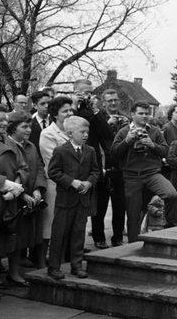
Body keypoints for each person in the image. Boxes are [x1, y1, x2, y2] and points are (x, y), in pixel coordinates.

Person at [111, 101, 177, 242]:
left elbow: (165, 151)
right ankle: (132, 247)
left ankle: (165, 222)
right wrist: (127, 141)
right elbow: (114, 153)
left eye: (147, 113)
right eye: (140, 113)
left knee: (171, 194)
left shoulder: (154, 131)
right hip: (131, 176)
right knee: (133, 216)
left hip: (152, 173)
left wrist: (152, 145)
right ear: (132, 114)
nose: (144, 116)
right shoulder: (123, 131)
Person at [46, 116, 99, 280]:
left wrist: (89, 183)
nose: (85, 135)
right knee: (59, 235)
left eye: (87, 132)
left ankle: (77, 265)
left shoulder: (90, 151)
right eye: (82, 132)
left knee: (78, 234)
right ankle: (54, 267)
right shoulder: (61, 150)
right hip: (65, 201)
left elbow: (95, 171)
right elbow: (53, 172)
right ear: (70, 133)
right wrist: (72, 182)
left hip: (82, 202)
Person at [0, 106, 30, 290]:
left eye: (5, 120)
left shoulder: (11, 143)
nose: (4, 123)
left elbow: (24, 166)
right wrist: (6, 185)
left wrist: (18, 184)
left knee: (2, 243)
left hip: (9, 201)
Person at [71, 79, 113, 249]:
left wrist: (96, 110)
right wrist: (74, 105)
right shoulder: (71, 108)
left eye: (89, 92)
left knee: (101, 200)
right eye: (83, 92)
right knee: (78, 204)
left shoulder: (94, 111)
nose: (87, 95)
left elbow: (107, 134)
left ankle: (99, 235)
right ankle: (75, 244)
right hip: (76, 160)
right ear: (75, 92)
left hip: (94, 159)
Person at [7, 111, 48, 269]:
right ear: (13, 128)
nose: (29, 130)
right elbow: (9, 173)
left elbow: (39, 168)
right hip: (14, 198)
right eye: (24, 127)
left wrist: (38, 189)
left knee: (25, 236)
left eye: (30, 126)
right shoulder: (8, 145)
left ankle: (16, 270)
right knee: (11, 238)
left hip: (32, 198)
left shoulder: (31, 146)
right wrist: (22, 194)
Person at [91, 89, 130, 248]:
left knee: (120, 206)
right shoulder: (98, 118)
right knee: (100, 206)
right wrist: (107, 124)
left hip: (120, 167)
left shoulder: (125, 119)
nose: (113, 103)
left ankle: (118, 237)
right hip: (103, 166)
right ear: (103, 103)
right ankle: (98, 237)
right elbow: (94, 139)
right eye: (109, 101)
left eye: (115, 100)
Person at [39, 96, 74, 265]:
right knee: (50, 225)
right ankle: (41, 262)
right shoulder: (48, 133)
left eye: (70, 110)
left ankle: (60, 260)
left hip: (72, 184)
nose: (69, 113)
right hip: (54, 184)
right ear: (55, 114)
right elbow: (54, 161)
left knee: (66, 225)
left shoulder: (73, 131)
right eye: (65, 111)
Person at [29, 91, 51, 157]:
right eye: (43, 104)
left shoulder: (56, 121)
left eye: (48, 103)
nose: (47, 106)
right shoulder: (30, 125)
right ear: (35, 106)